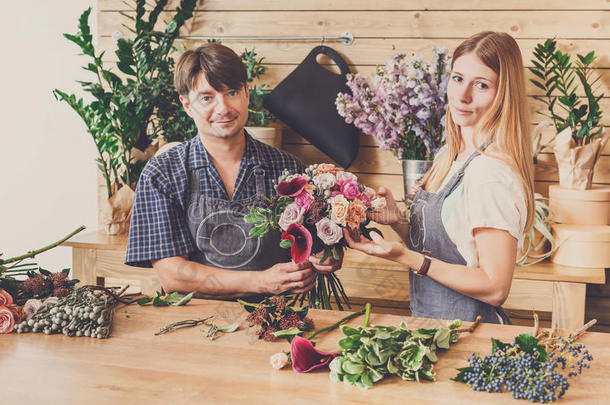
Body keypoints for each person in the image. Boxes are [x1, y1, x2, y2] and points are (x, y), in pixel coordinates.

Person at [344, 31, 535, 324]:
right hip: (434, 329)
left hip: (473, 336)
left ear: (503, 95)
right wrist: (398, 223)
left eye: (481, 85)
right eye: (458, 78)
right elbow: (451, 248)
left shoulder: (490, 173)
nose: (463, 95)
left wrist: (407, 258)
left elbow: (496, 287)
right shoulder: (451, 154)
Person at [125, 43, 341, 300]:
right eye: (207, 98)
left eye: (231, 92)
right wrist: (261, 281)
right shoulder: (162, 173)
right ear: (187, 105)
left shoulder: (288, 168)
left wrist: (327, 257)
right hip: (195, 322)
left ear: (246, 93)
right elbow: (173, 275)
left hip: (276, 317)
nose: (223, 108)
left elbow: (315, 248)